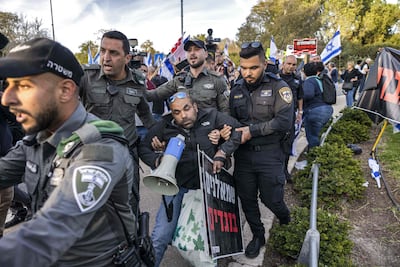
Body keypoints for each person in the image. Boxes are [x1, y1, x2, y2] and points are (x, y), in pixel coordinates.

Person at [0, 38, 144, 266]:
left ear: (66, 90)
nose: (7, 98)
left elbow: (50, 232)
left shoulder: (99, 149)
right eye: (7, 85)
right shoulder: (38, 137)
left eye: (24, 86)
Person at [139, 92, 242, 267]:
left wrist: (222, 151)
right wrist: (157, 160)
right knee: (161, 236)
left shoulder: (213, 116)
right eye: (176, 112)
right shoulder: (164, 125)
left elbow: (239, 130)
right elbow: (143, 146)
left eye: (186, 108)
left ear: (195, 106)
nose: (183, 115)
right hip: (176, 187)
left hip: (209, 190)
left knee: (211, 241)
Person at [229, 42, 293, 258]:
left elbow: (284, 121)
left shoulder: (279, 87)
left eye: (253, 68)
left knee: (271, 198)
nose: (248, 73)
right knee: (247, 199)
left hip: (270, 153)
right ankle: (258, 236)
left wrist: (252, 131)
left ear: (264, 64)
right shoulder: (236, 89)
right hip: (244, 156)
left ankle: (284, 217)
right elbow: (232, 120)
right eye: (244, 67)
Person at [80, 30, 156, 214]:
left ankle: (133, 241)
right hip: (93, 154)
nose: (106, 58)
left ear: (127, 57)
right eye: (103, 51)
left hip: (127, 153)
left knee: (129, 206)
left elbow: (146, 114)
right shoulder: (86, 77)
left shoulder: (137, 82)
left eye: (113, 53)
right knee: (91, 205)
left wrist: (157, 136)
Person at [145, 38, 230, 114]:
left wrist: (220, 130)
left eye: (196, 49)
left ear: (206, 54)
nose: (192, 53)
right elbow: (152, 95)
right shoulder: (179, 80)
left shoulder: (217, 80)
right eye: (189, 50)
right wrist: (136, 83)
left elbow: (225, 112)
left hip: (209, 129)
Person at [279, 55, 304, 182]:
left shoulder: (297, 79)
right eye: (288, 63)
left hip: (291, 116)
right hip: (276, 115)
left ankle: (284, 171)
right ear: (283, 63)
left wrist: (300, 112)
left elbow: (300, 97)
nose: (291, 67)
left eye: (294, 65)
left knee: (288, 144)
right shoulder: (274, 78)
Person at [302, 62, 334, 149]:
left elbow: (308, 94)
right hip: (327, 109)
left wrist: (299, 97)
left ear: (304, 72)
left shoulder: (309, 81)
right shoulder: (320, 80)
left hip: (315, 110)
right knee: (321, 135)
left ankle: (314, 157)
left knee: (313, 137)